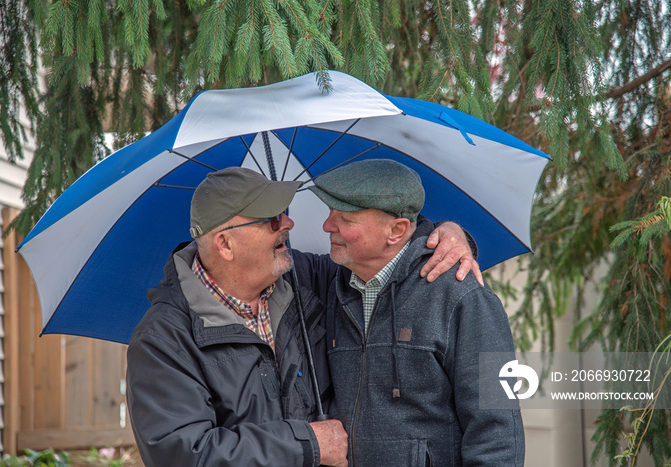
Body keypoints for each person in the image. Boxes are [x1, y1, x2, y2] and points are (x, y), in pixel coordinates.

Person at [126, 167, 479, 467]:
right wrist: (307, 443)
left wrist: (445, 234)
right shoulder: (163, 339)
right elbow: (184, 454)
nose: (288, 223)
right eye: (271, 219)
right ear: (225, 245)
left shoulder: (308, 280)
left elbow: (382, 253)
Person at [310, 159, 525, 466]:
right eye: (330, 213)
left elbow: (498, 430)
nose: (327, 225)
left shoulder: (465, 297)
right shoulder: (328, 288)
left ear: (396, 230)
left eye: (345, 218)